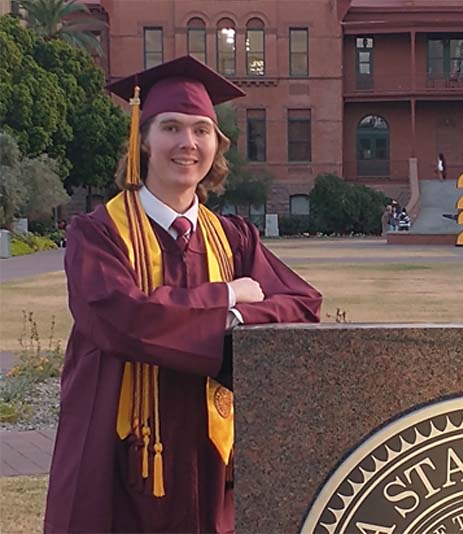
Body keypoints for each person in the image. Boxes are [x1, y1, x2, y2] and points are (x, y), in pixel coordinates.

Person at [43, 55, 322, 534]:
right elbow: (122, 319)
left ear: (217, 144)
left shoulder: (234, 238)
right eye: (171, 127)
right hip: (121, 457)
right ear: (143, 140)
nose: (187, 143)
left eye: (201, 130)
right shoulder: (97, 234)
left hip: (210, 456)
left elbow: (302, 305)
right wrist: (225, 297)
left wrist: (233, 320)